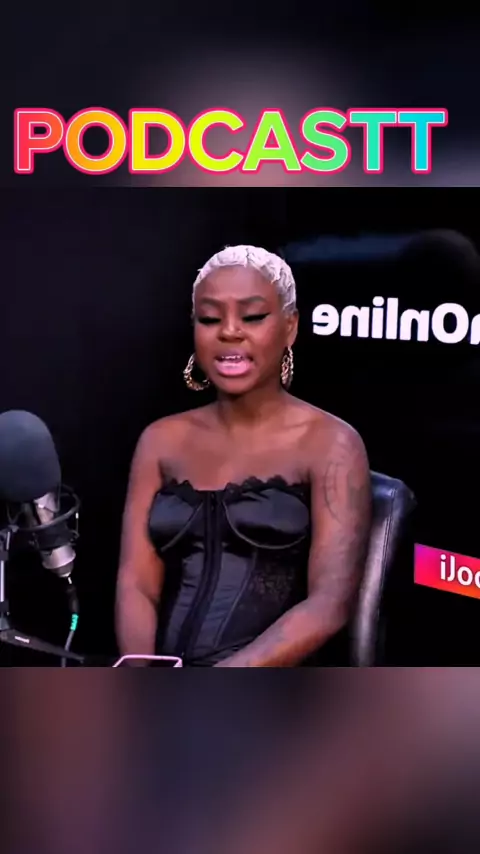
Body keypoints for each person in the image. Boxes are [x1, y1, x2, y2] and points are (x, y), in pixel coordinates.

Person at [115, 245, 371, 666]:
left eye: (252, 317)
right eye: (210, 318)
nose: (229, 332)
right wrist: (143, 674)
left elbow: (328, 604)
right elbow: (136, 583)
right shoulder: (160, 441)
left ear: (290, 327)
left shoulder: (331, 443)